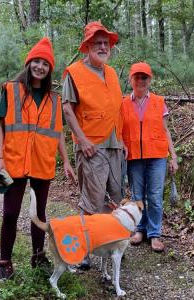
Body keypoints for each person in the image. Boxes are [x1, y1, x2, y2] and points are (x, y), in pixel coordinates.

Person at [0, 37, 76, 279]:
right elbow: (0, 126)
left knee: (38, 214)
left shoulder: (55, 99)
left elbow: (58, 133)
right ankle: (4, 262)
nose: (40, 67)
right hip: (13, 161)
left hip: (42, 163)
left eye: (45, 64)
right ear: (29, 63)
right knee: (10, 213)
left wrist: (67, 161)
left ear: (50, 69)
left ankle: (38, 258)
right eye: (36, 61)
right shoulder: (10, 89)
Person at [62, 21, 124, 269]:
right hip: (91, 146)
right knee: (92, 201)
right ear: (86, 47)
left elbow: (116, 110)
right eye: (97, 43)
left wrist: (122, 141)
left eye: (105, 43)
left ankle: (106, 244)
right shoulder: (73, 72)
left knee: (115, 197)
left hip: (114, 145)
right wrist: (82, 140)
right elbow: (67, 109)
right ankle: (83, 250)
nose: (102, 47)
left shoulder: (111, 73)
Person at [121, 62, 178, 252]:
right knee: (137, 197)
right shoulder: (122, 103)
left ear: (150, 80)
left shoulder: (158, 102)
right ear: (130, 80)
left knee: (154, 197)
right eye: (137, 77)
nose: (140, 81)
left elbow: (165, 130)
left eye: (144, 77)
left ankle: (154, 233)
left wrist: (173, 156)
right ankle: (139, 229)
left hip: (157, 157)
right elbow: (118, 132)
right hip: (134, 158)